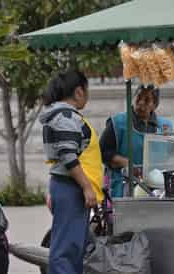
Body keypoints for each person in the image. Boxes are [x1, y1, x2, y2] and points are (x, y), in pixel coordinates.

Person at [39, 69, 104, 274]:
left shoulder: (64, 115)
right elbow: (68, 156)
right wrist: (87, 187)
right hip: (71, 189)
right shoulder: (65, 115)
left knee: (75, 247)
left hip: (70, 188)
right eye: (87, 90)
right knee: (65, 250)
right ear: (78, 92)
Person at [100, 84, 173, 198]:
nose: (141, 103)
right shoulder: (118, 123)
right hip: (123, 188)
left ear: (154, 105)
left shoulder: (165, 127)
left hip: (157, 189)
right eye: (138, 98)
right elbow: (103, 152)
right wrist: (127, 164)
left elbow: (172, 155)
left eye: (147, 100)